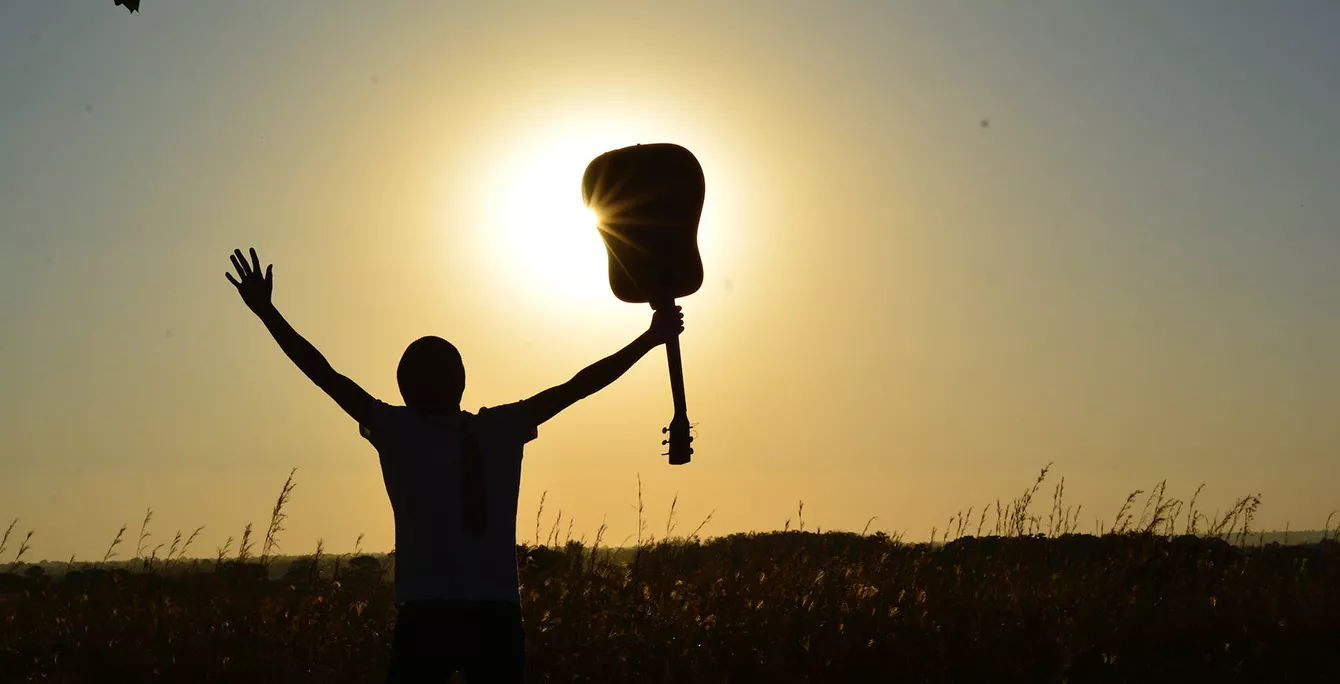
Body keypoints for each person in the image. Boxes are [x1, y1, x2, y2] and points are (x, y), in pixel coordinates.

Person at [224, 247, 683, 683]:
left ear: (404, 387)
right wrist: (648, 339)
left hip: (428, 615)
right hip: (494, 614)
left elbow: (323, 373)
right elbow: (580, 385)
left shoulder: (396, 429)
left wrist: (267, 313)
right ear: (461, 381)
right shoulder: (499, 429)